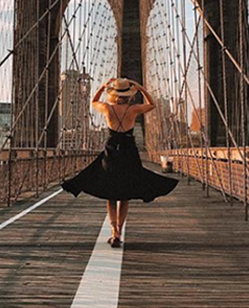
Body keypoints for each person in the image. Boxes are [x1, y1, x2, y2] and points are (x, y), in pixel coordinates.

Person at [61, 77, 179, 247]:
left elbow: (93, 101)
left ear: (114, 93)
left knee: (111, 192)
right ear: (129, 94)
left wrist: (102, 87)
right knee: (124, 194)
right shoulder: (133, 109)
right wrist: (141, 89)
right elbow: (152, 105)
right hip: (129, 151)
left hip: (111, 151)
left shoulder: (107, 108)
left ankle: (113, 230)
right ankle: (119, 232)